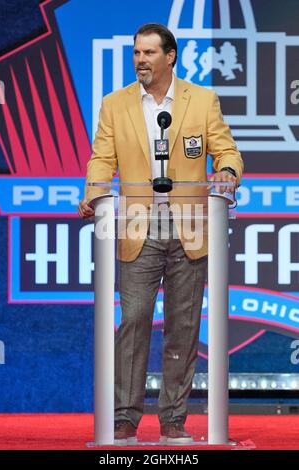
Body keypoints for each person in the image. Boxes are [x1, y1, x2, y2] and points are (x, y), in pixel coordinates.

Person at [79, 23, 243, 445]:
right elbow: (102, 159)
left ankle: (172, 420)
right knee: (132, 322)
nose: (140, 60)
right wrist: (95, 195)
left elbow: (225, 149)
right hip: (137, 226)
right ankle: (125, 419)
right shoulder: (115, 104)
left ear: (170, 56)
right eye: (136, 53)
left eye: (149, 53)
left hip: (190, 226)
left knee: (183, 326)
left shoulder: (202, 100)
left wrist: (226, 171)